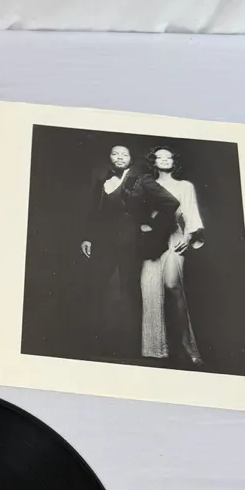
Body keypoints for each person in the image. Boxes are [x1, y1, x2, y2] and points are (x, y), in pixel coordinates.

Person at [80, 145, 179, 359]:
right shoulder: (102, 180)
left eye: (124, 154)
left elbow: (171, 202)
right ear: (109, 157)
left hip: (131, 244)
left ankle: (131, 349)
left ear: (130, 159)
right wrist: (87, 237)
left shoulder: (141, 180)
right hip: (103, 244)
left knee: (130, 292)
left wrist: (151, 224)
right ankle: (93, 346)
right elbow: (94, 211)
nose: (119, 157)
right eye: (115, 154)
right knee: (96, 288)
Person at [138, 146, 205, 366]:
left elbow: (191, 212)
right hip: (151, 241)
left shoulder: (185, 186)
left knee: (172, 285)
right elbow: (136, 212)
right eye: (160, 157)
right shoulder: (146, 184)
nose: (165, 159)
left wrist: (188, 236)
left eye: (169, 157)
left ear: (174, 161)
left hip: (175, 238)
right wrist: (141, 226)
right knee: (149, 289)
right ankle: (155, 349)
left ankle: (187, 345)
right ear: (153, 161)